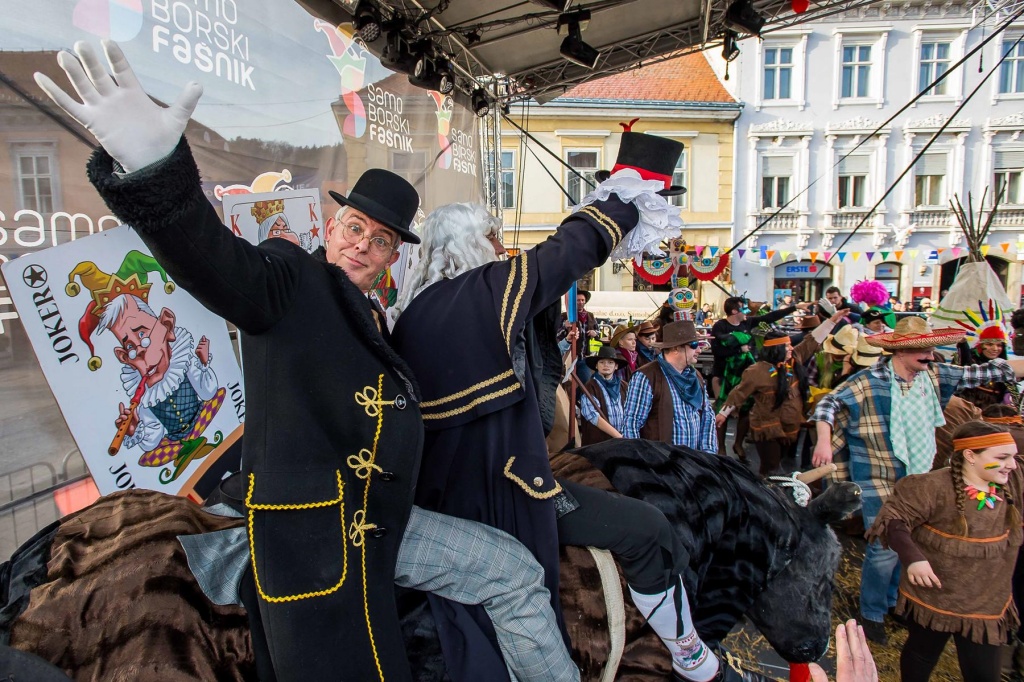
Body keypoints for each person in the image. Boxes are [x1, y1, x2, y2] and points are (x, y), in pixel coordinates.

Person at [37, 41, 576, 682]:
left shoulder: (378, 314)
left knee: (508, 564)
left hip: (377, 517)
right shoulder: (289, 280)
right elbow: (212, 260)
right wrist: (158, 171)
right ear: (332, 225)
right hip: (316, 537)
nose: (363, 246)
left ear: (391, 256)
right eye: (355, 229)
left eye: (380, 241)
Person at [393, 148, 771, 681]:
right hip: (503, 493)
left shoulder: (423, 309)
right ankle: (688, 657)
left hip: (462, 488)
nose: (504, 250)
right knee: (647, 528)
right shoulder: (478, 293)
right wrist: (623, 197)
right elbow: (565, 253)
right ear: (470, 245)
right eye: (494, 239)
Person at [811, 316, 1020, 645]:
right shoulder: (870, 380)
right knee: (884, 547)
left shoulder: (934, 375)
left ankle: (894, 601)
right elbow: (828, 403)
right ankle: (872, 612)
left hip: (919, 477)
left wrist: (1012, 364)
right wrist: (824, 440)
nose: (930, 355)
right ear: (901, 352)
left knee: (909, 541)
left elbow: (984, 372)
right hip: (879, 475)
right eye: (922, 350)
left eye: (931, 348)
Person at [867, 422, 1022, 682]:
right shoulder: (930, 487)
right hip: (937, 598)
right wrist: (913, 559)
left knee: (984, 674)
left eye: (1013, 457)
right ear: (970, 455)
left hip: (986, 604)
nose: (1012, 464)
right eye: (1002, 457)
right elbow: (894, 520)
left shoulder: (1013, 481)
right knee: (921, 655)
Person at [716, 310, 846, 477]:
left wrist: (833, 320)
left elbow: (812, 340)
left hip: (790, 427)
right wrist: (723, 414)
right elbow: (739, 393)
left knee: (779, 468)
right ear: (776, 349)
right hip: (767, 430)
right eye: (786, 346)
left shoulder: (795, 359)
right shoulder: (757, 371)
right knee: (771, 470)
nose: (791, 348)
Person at [710, 296, 811, 458]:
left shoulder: (747, 323)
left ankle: (738, 443)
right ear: (734, 311)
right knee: (724, 407)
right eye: (744, 308)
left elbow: (769, 317)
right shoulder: (720, 326)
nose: (747, 311)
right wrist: (738, 350)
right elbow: (717, 352)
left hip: (746, 374)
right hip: (724, 376)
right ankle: (721, 448)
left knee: (746, 410)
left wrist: (795, 307)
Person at [622, 321, 718, 453]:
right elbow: (631, 424)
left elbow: (708, 416)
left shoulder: (696, 376)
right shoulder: (646, 376)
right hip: (661, 465)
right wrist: (643, 463)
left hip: (694, 463)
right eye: (694, 345)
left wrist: (708, 455)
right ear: (675, 348)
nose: (699, 350)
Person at [579, 344, 627, 444]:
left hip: (623, 441)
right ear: (596, 365)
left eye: (610, 362)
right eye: (602, 362)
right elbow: (593, 417)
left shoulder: (624, 386)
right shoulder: (590, 387)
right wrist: (618, 436)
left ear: (616, 366)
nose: (606, 365)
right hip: (599, 444)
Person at [956, 324, 1011, 409]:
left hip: (995, 414)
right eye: (989, 344)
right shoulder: (971, 361)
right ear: (981, 346)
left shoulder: (1005, 365)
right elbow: (964, 364)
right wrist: (963, 346)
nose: (995, 349)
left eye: (999, 345)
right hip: (967, 411)